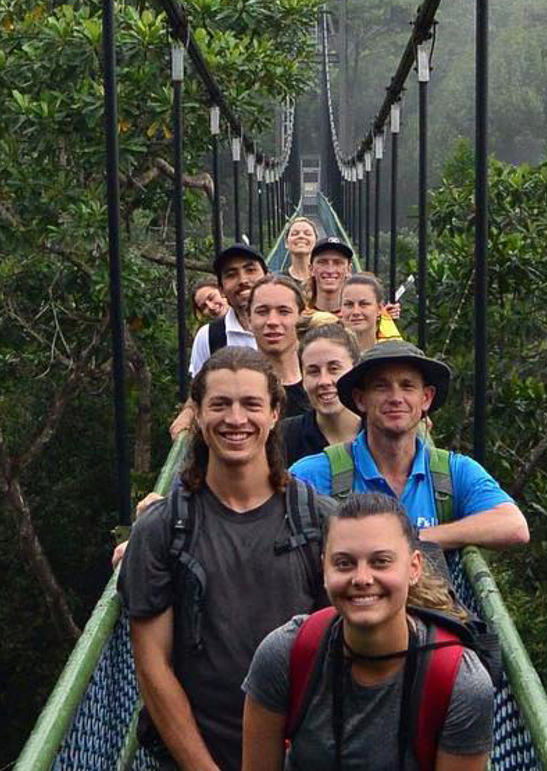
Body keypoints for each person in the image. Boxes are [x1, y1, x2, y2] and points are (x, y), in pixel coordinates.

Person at [122, 347, 336, 771]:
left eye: (251, 404)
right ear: (198, 416)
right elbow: (152, 664)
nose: (235, 419)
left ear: (275, 412)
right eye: (219, 405)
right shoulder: (164, 529)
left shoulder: (320, 520)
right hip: (195, 756)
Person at [241, 493, 495, 770]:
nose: (362, 579)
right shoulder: (287, 653)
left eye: (381, 562)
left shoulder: (459, 683)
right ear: (323, 569)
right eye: (344, 563)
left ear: (414, 568)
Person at [288, 341, 530, 550]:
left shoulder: (452, 472)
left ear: (426, 398)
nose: (395, 398)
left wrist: (414, 539)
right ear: (361, 399)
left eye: (407, 386)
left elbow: (514, 525)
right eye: (381, 386)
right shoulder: (315, 473)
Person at [171, 244, 267, 437]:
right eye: (231, 274)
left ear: (267, 276)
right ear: (222, 288)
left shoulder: (291, 324)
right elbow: (199, 391)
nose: (243, 280)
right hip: (238, 435)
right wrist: (188, 412)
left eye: (250, 270)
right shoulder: (209, 336)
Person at [279, 324, 362, 464]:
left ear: (355, 371)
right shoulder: (285, 437)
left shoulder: (380, 433)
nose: (324, 381)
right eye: (313, 371)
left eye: (334, 369)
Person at [248, 275, 313, 419]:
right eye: (262, 312)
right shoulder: (241, 387)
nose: (272, 321)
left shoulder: (321, 381)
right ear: (249, 320)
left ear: (300, 317)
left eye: (283, 311)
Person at [339, 273, 405, 354]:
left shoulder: (394, 355)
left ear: (380, 309)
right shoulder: (326, 352)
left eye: (364, 304)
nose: (355, 312)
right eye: (349, 304)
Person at [281, 216, 321, 283]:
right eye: (294, 234)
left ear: (316, 242)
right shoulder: (278, 281)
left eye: (307, 234)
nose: (301, 236)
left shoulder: (324, 279)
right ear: (286, 243)